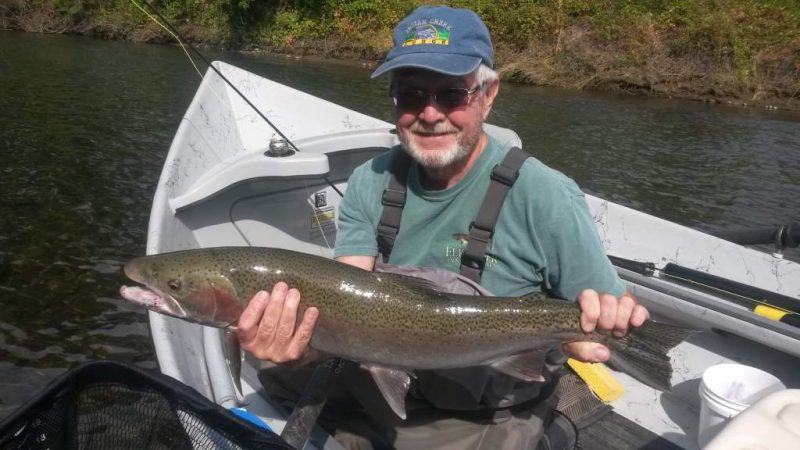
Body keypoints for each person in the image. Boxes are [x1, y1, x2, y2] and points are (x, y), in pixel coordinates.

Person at [237, 5, 648, 449]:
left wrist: (595, 332)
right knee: (273, 372)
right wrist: (301, 342)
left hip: (483, 406)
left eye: (453, 95)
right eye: (412, 95)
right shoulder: (369, 181)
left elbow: (607, 304)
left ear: (488, 95)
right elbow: (345, 299)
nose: (430, 113)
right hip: (384, 372)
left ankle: (548, 428)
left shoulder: (546, 195)